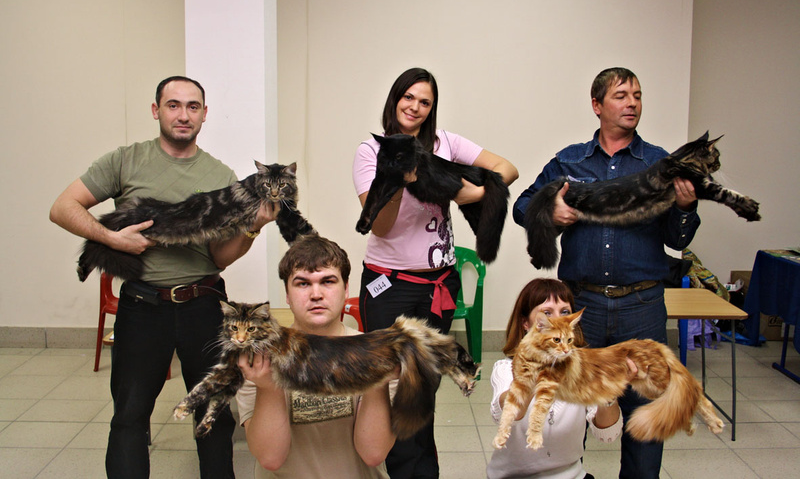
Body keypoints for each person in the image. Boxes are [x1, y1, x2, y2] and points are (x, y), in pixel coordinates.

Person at [49, 76, 276, 479]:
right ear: (156, 111)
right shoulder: (126, 160)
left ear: (204, 115)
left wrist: (253, 226)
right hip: (142, 307)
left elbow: (219, 258)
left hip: (204, 305)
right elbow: (63, 207)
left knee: (214, 415)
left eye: (193, 106)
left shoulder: (220, 176)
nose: (183, 115)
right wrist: (113, 239)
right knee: (130, 415)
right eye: (173, 105)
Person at [512, 67, 700, 479]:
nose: (632, 103)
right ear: (597, 105)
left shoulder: (660, 163)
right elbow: (522, 206)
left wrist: (685, 207)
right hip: (582, 310)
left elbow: (677, 239)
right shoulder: (570, 161)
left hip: (642, 306)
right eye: (621, 95)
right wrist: (550, 210)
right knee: (568, 410)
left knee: (644, 412)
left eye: (637, 95)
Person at [352, 67, 518, 478]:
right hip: (389, 287)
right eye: (408, 97)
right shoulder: (371, 152)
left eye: (424, 102)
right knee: (395, 386)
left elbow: (507, 168)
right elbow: (380, 226)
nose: (415, 107)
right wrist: (399, 179)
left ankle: (422, 471)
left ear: (432, 108)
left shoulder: (446, 143)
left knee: (423, 389)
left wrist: (472, 192)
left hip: (438, 286)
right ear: (394, 99)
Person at [235, 235, 395, 479]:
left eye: (328, 281)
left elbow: (373, 453)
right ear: (287, 295)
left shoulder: (375, 355)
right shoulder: (259, 360)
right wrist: (268, 386)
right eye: (302, 284)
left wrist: (376, 380)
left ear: (346, 289)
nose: (316, 294)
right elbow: (270, 457)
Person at [487, 278, 632, 479]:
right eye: (547, 313)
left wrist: (608, 389)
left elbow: (607, 434)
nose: (558, 321)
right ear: (526, 324)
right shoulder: (505, 369)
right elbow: (510, 414)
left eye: (565, 312)